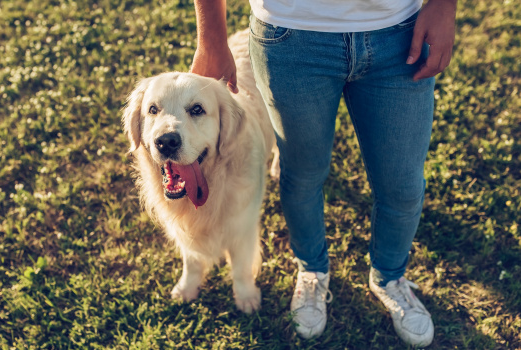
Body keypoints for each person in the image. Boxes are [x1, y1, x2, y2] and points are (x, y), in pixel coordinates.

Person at [191, 0, 456, 346]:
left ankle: (390, 278)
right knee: (302, 175)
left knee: (402, 186)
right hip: (290, 36)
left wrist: (443, 5)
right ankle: (312, 271)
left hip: (398, 32)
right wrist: (211, 37)